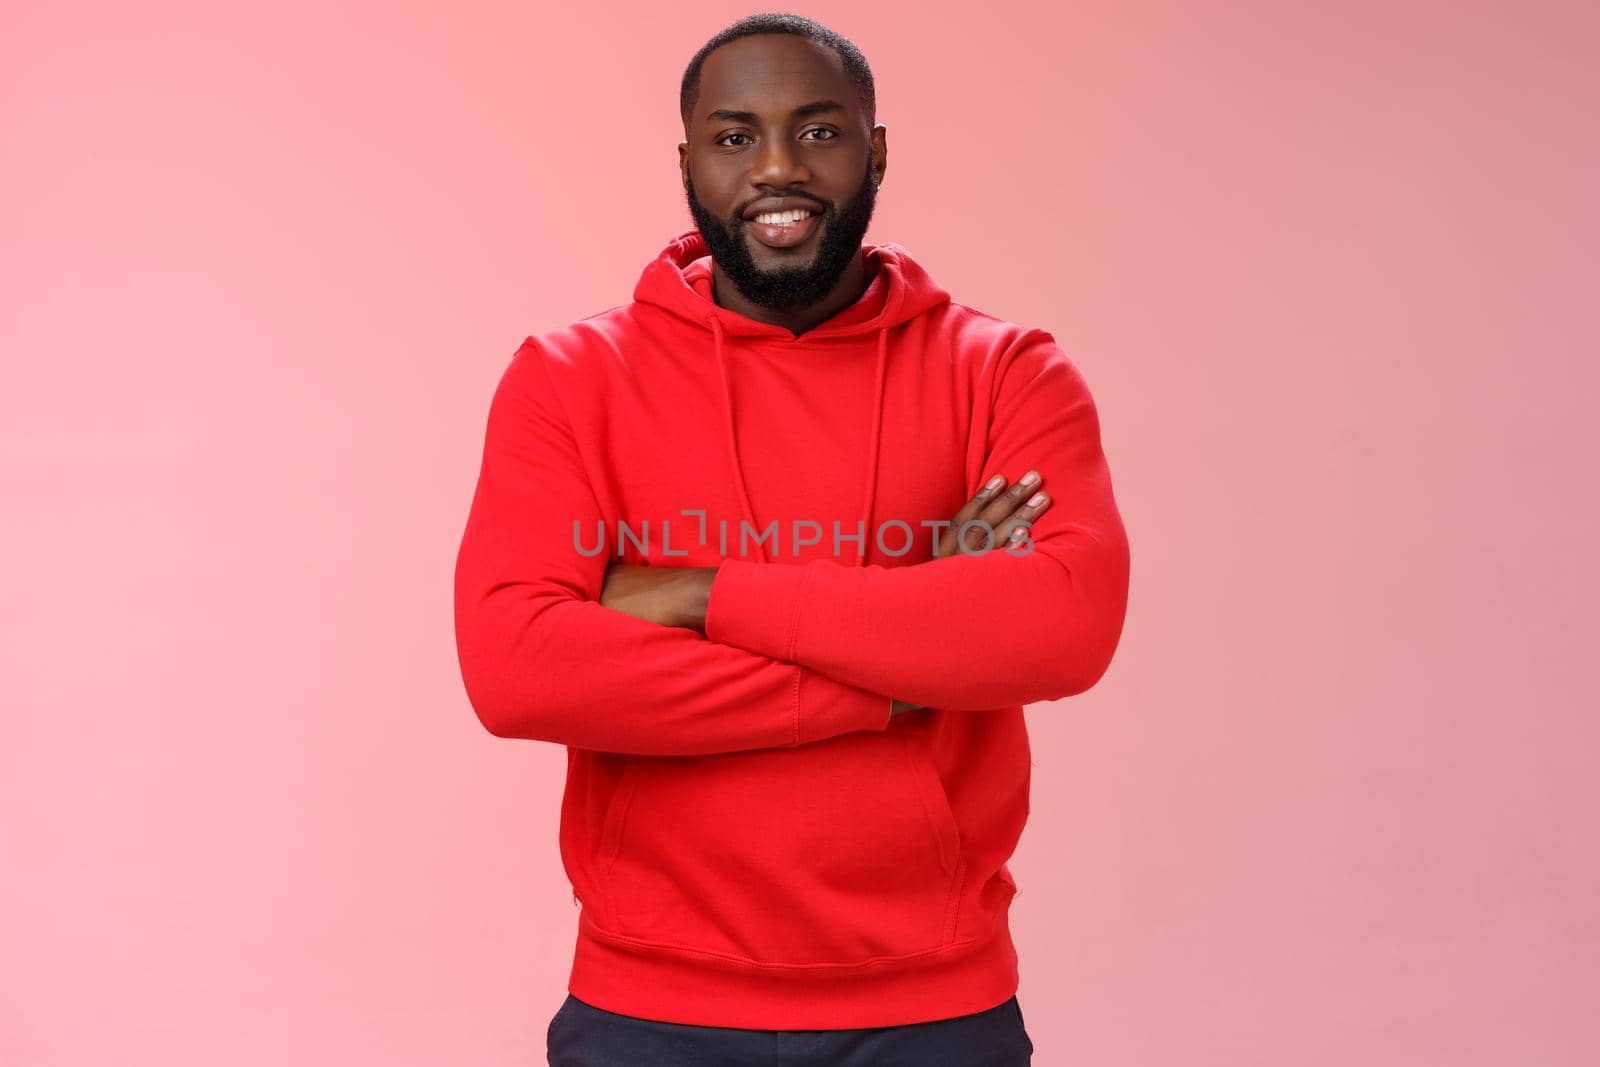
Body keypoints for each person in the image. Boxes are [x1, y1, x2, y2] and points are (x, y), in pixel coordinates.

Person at [453, 12, 1131, 1065]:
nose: (777, 168)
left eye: (818, 132)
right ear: (687, 162)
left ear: (878, 149)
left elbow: (1061, 631)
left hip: (934, 1009)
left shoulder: (1004, 373)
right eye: (734, 137)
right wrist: (901, 664)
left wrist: (692, 591)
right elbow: (518, 669)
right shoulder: (571, 378)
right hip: (647, 1007)